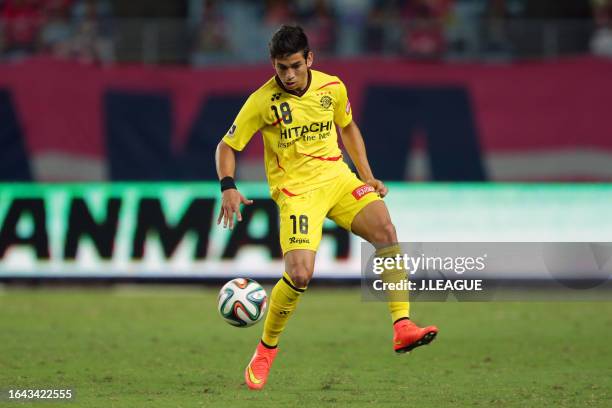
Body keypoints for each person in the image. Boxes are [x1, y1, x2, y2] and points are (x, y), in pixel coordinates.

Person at [215, 24, 438, 391]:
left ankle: (402, 326)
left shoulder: (332, 87)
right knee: (300, 274)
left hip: (337, 179)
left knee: (385, 231)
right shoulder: (262, 101)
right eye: (281, 67)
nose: (288, 75)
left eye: (295, 66)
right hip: (297, 192)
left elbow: (348, 128)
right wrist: (228, 186)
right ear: (273, 65)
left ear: (310, 60)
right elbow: (227, 146)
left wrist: (366, 177)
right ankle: (266, 349)